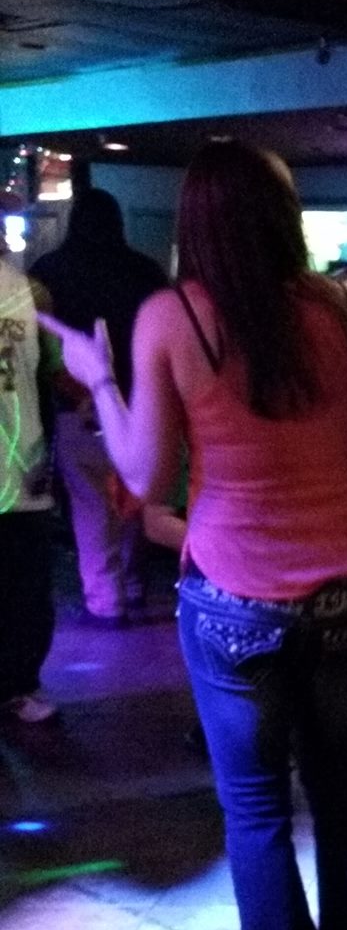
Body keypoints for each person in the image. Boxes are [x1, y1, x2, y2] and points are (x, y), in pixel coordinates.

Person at [40, 142, 347, 930]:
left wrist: (99, 381)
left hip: (235, 596)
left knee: (252, 809)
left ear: (195, 223)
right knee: (339, 790)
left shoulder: (175, 318)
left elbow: (142, 473)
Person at [30, 188, 166, 623]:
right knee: (133, 498)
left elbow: (43, 352)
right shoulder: (145, 271)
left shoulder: (48, 272)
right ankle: (132, 584)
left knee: (91, 507)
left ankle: (106, 600)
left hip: (78, 406)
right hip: (141, 404)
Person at [0, 257, 61, 723]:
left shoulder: (31, 293)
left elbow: (49, 379)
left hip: (24, 469)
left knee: (27, 591)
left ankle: (19, 685)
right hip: (26, 470)